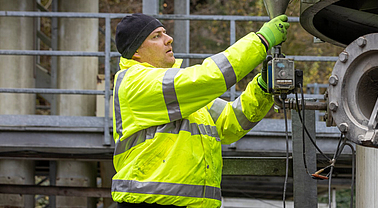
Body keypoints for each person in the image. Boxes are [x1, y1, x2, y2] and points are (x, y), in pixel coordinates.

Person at [111, 13, 290, 207]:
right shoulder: (135, 81)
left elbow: (233, 122)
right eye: (156, 36)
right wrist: (261, 41)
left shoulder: (180, 94)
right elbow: (209, 76)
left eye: (165, 33)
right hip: (148, 203)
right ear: (136, 51)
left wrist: (262, 88)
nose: (168, 39)